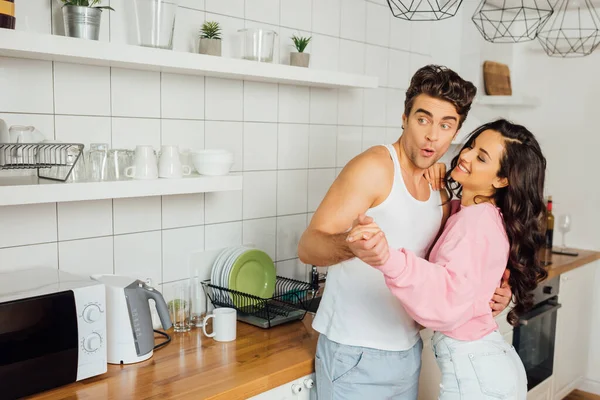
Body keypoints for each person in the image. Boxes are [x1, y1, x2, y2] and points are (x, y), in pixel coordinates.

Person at [297, 65, 513, 399]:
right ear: (404, 117)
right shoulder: (374, 167)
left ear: (456, 130)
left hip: (409, 351)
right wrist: (353, 247)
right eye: (423, 119)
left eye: (446, 125)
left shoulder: (441, 189)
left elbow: (450, 268)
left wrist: (495, 290)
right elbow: (309, 247)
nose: (432, 136)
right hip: (354, 353)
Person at [347, 119, 548, 399]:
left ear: (501, 179)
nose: (465, 155)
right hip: (489, 364)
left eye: (481, 157)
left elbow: (446, 292)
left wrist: (386, 259)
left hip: (476, 376)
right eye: (471, 146)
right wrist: (435, 182)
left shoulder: (476, 223)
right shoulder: (477, 214)